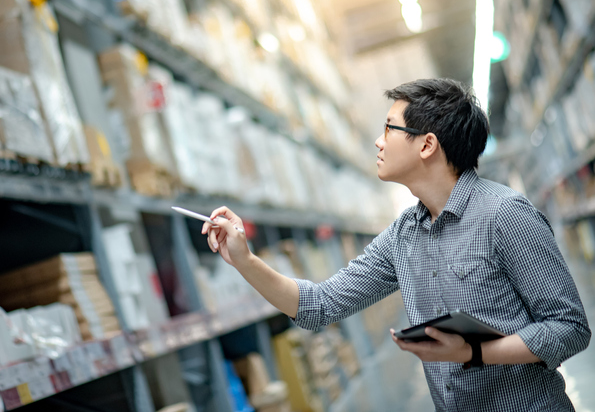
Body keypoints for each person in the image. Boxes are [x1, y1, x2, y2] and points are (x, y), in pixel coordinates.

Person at [201, 78, 591, 411]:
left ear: (427, 145)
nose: (378, 141)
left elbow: (570, 327)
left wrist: (474, 353)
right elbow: (319, 306)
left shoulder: (505, 215)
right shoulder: (403, 235)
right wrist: (245, 260)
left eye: (389, 128)